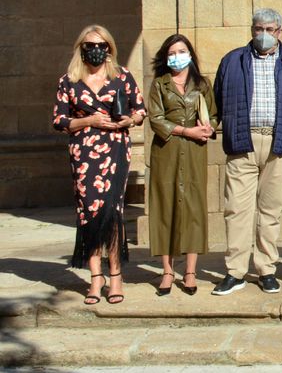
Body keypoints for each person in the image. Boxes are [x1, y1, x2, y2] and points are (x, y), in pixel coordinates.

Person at [52, 24, 146, 305]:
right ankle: (96, 278)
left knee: (112, 211)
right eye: (90, 45)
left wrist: (129, 120)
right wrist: (89, 120)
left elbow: (140, 109)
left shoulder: (121, 76)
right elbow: (59, 119)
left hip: (115, 149)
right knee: (88, 213)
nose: (96, 50)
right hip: (83, 152)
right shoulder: (68, 80)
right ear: (81, 48)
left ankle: (115, 275)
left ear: (109, 48)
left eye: (101, 45)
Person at [211, 8, 282, 296]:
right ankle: (235, 271)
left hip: (277, 141)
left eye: (269, 29)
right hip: (243, 141)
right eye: (258, 29)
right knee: (236, 209)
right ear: (252, 30)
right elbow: (217, 99)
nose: (263, 34)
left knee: (270, 210)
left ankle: (266, 269)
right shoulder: (232, 60)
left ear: (279, 32)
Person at [147, 34, 217, 296]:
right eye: (172, 53)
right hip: (167, 150)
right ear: (166, 57)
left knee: (193, 207)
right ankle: (167, 270)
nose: (177, 56)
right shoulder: (159, 84)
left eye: (181, 51)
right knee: (164, 206)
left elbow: (214, 115)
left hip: (195, 151)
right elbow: (156, 119)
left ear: (190, 54)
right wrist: (185, 131)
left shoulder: (202, 84)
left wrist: (209, 128)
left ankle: (190, 270)